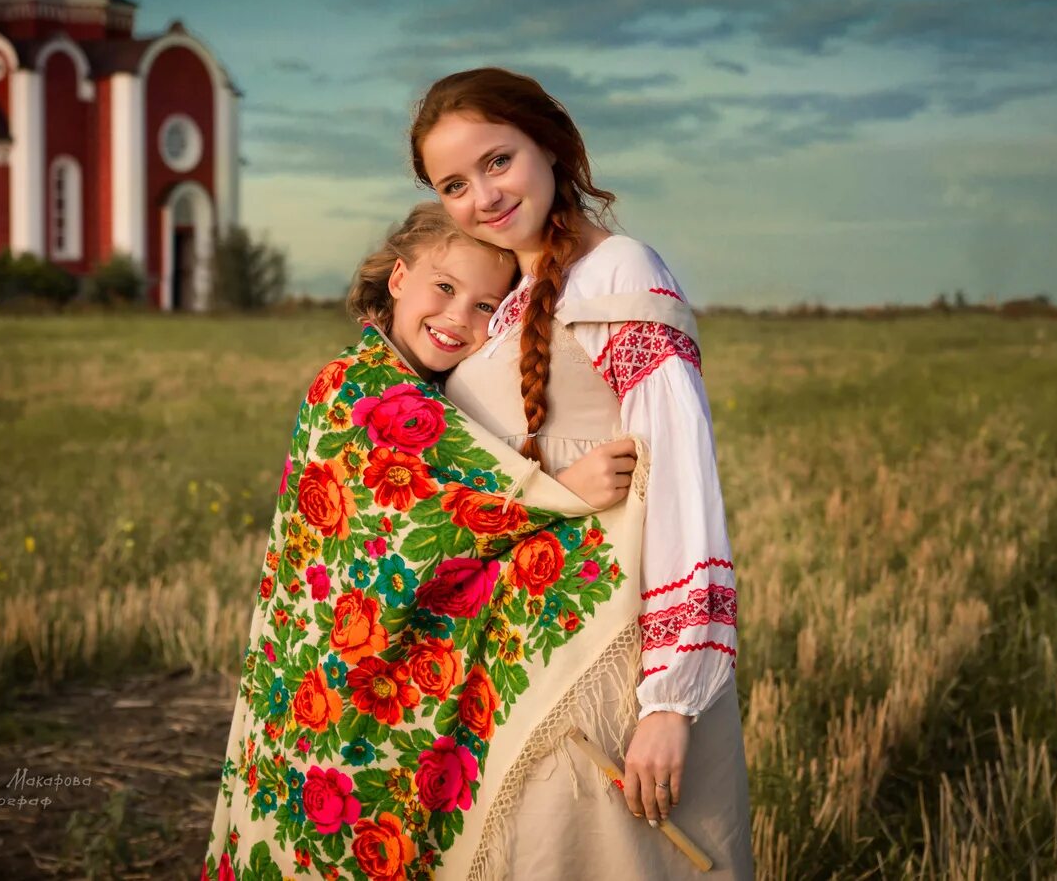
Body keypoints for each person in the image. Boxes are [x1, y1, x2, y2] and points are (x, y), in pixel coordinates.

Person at [203, 201, 640, 880]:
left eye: (484, 307)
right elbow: (419, 513)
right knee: (326, 817)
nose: (457, 318)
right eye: (444, 288)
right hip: (324, 664)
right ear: (399, 277)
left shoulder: (429, 391)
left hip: (331, 662)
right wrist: (563, 489)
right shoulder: (353, 383)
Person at [411, 67, 754, 878]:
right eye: (454, 183)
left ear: (551, 145)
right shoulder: (505, 298)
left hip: (617, 665)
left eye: (499, 161)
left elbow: (680, 477)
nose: (483, 196)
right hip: (528, 663)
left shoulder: (620, 272)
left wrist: (670, 699)